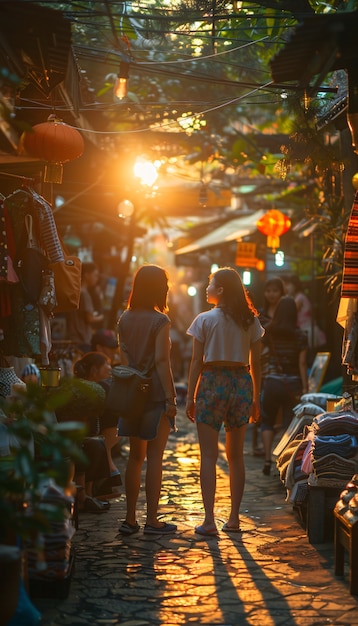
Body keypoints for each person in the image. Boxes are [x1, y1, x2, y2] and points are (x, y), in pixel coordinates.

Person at [185, 267, 264, 536]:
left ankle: (209, 521)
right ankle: (233, 519)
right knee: (235, 456)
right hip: (241, 382)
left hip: (212, 381)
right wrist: (255, 398)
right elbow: (257, 363)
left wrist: (191, 397)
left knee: (208, 454)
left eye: (210, 284)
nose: (207, 288)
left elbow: (196, 361)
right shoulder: (249, 320)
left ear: (220, 290)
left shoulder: (204, 320)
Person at [117, 264, 178, 536]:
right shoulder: (160, 321)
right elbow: (162, 362)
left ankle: (130, 519)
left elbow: (123, 360)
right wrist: (171, 397)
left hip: (130, 394)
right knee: (155, 457)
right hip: (153, 394)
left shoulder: (124, 319)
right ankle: (152, 520)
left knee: (135, 458)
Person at [260, 295, 308, 476]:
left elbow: (259, 354)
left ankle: (266, 459)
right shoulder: (300, 335)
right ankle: (284, 464)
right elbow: (302, 364)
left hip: (272, 382)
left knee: (267, 421)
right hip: (292, 384)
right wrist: (305, 388)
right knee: (289, 426)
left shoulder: (269, 332)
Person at [73, 352, 121, 480]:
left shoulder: (101, 386)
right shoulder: (101, 386)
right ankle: (105, 479)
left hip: (106, 433)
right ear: (94, 369)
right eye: (107, 364)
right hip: (109, 432)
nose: (110, 368)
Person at [253, 277, 285, 457]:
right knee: (260, 397)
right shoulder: (261, 314)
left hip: (280, 361)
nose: (271, 294)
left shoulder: (287, 312)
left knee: (276, 402)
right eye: (269, 290)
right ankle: (257, 442)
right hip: (262, 361)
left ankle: (275, 442)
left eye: (275, 291)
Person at [67, 262, 104, 352]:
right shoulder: (84, 294)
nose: (97, 278)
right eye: (95, 275)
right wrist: (101, 317)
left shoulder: (76, 292)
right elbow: (89, 318)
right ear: (87, 275)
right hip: (82, 339)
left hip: (74, 337)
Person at [283, 274, 326, 349]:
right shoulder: (299, 297)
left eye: (288, 284)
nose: (287, 287)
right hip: (306, 328)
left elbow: (291, 313)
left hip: (306, 330)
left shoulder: (299, 298)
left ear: (294, 286)